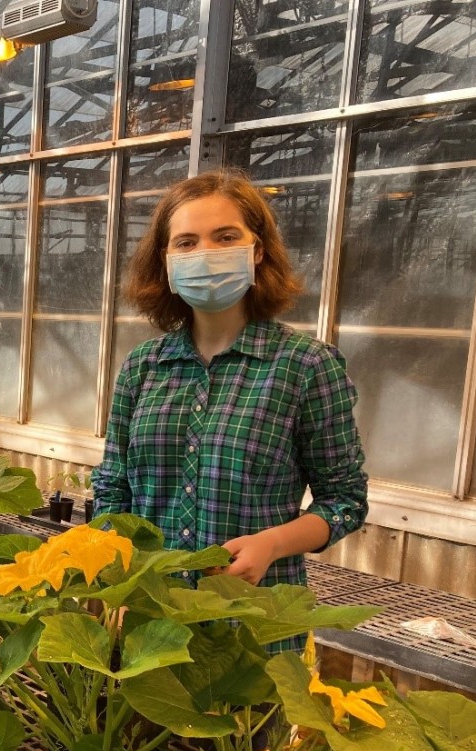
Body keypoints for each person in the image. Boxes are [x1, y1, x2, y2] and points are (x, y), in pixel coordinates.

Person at [91, 168, 367, 652]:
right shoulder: (143, 367)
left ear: (257, 251)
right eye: (186, 243)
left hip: (255, 632)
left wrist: (271, 544)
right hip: (152, 627)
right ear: (167, 261)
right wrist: (113, 569)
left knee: (247, 729)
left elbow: (344, 501)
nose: (206, 254)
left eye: (225, 237)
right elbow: (113, 486)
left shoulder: (305, 367)